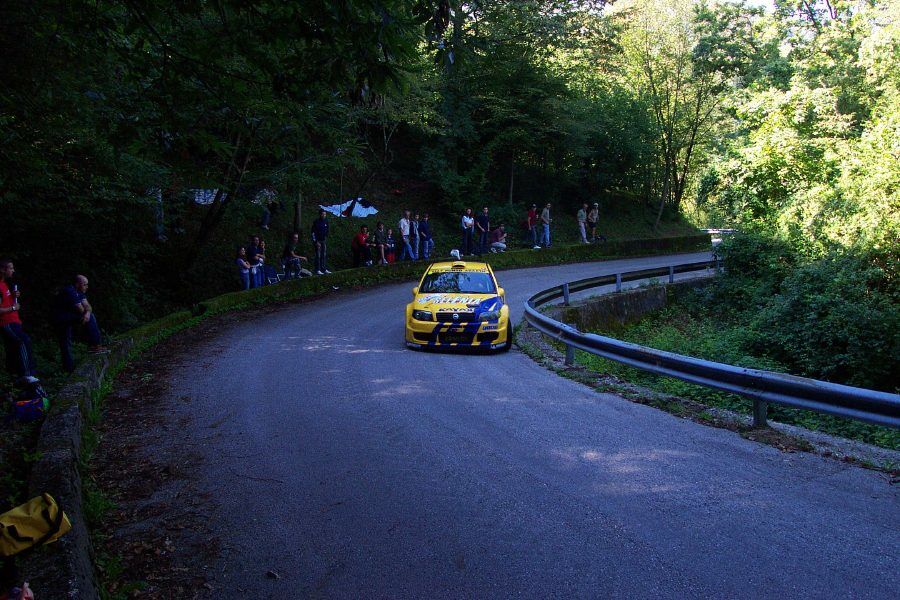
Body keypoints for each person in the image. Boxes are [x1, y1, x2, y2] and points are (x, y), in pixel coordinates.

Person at [51, 275, 108, 373]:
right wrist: (86, 314)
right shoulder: (70, 291)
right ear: (78, 284)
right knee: (65, 342)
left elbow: (88, 306)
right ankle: (95, 345)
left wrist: (88, 313)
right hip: (60, 318)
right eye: (85, 285)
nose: (87, 287)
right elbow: (80, 309)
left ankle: (69, 368)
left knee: (89, 317)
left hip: (68, 316)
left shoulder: (79, 292)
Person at [0, 259, 38, 383]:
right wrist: (12, 308)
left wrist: (13, 296)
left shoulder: (5, 284)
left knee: (12, 348)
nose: (13, 270)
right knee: (23, 341)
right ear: (3, 270)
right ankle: (27, 374)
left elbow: (5, 301)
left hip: (14, 321)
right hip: (7, 321)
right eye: (10, 268)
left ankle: (14, 378)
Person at [311, 209, 331, 274]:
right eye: (323, 214)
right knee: (318, 255)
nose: (324, 215)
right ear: (320, 214)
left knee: (323, 255)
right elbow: (313, 232)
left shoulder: (326, 221)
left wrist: (326, 236)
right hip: (318, 241)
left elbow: (327, 229)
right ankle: (317, 269)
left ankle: (324, 269)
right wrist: (316, 241)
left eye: (325, 214)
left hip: (323, 240)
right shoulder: (316, 222)